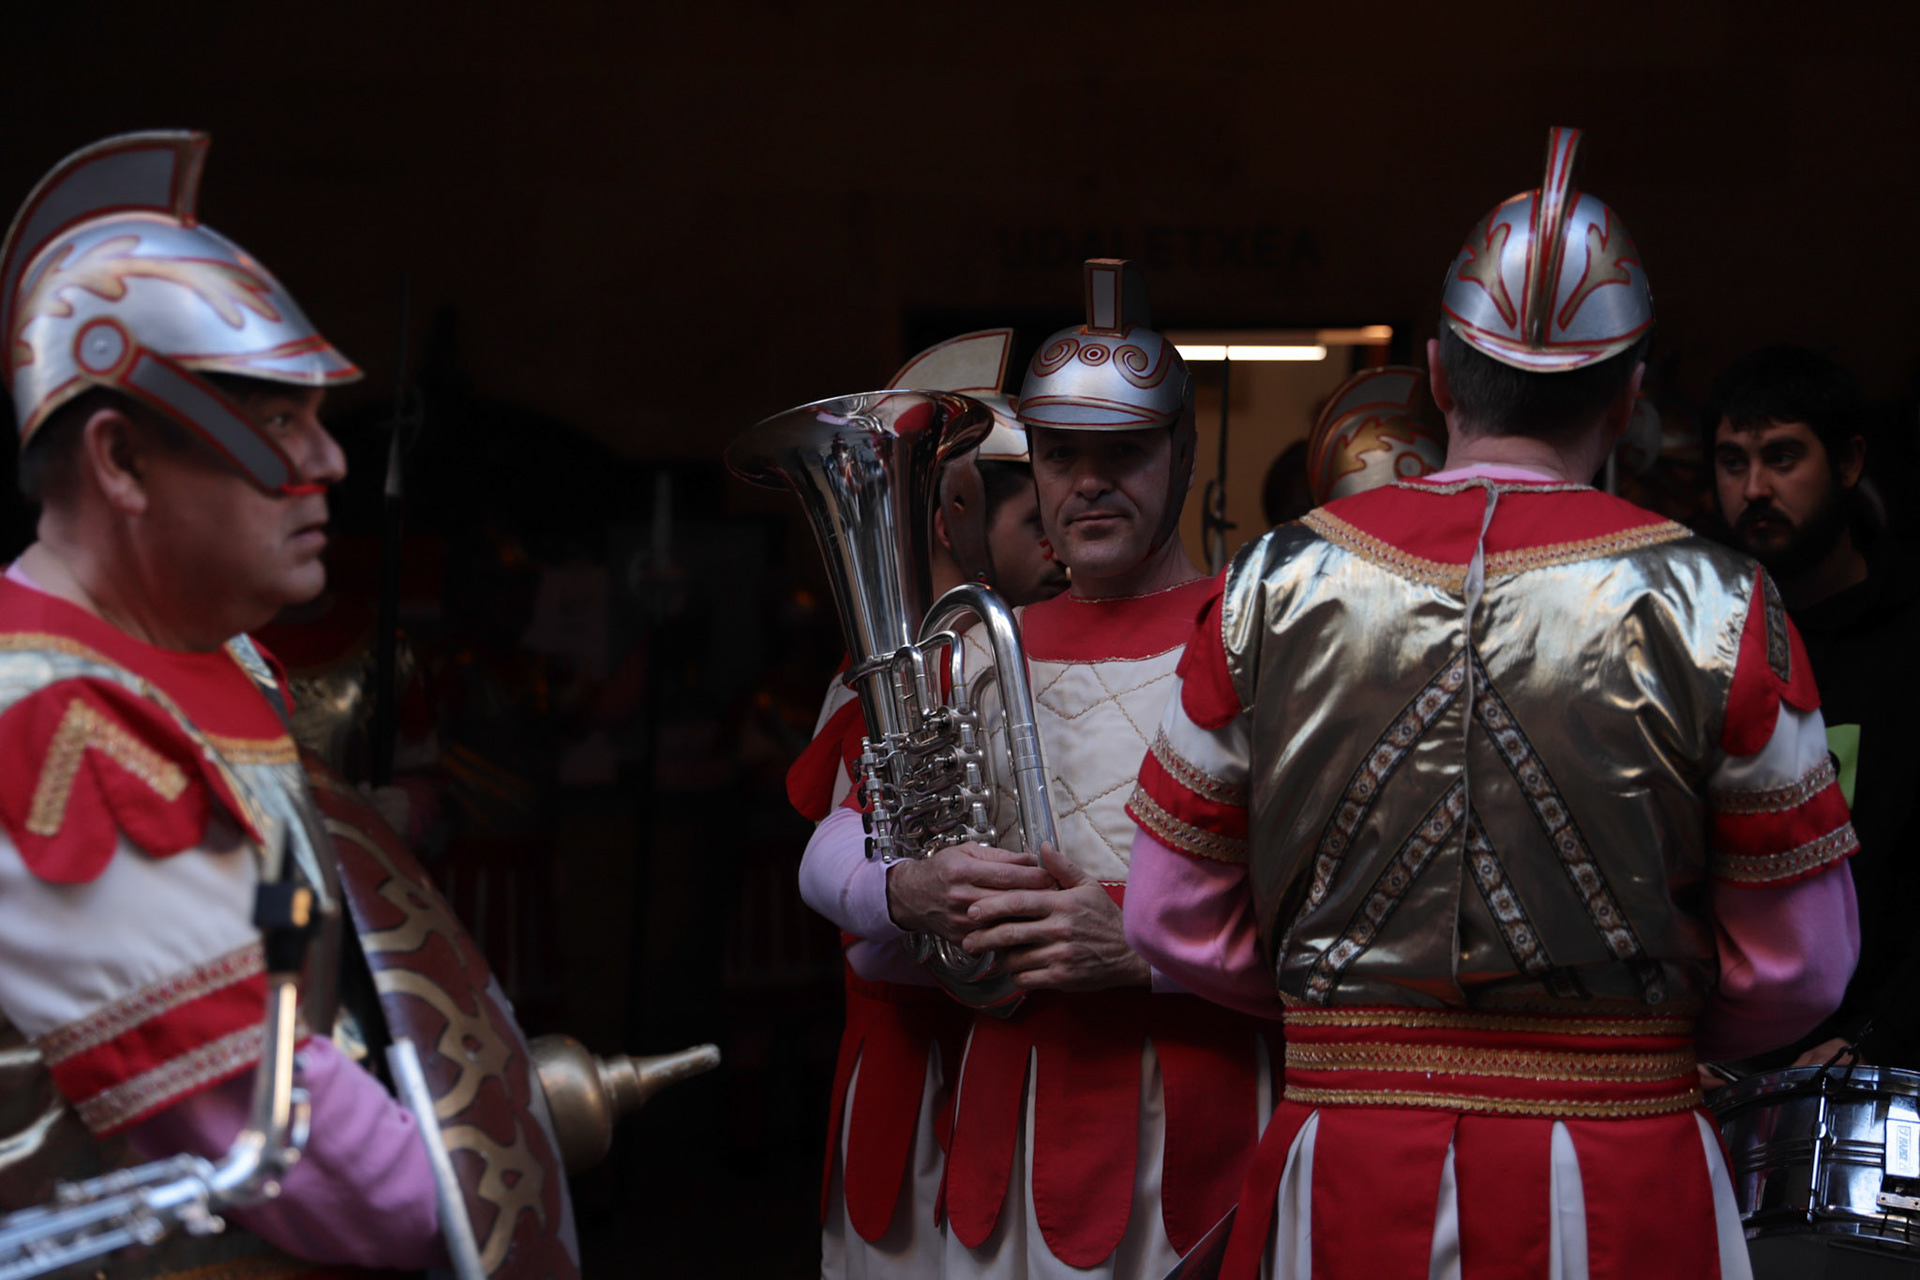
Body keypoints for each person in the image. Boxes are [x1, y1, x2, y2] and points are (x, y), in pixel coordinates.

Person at [1124, 128, 1858, 1279]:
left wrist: (1349, 1011)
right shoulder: (1727, 607)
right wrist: (1639, 1030)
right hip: (1626, 1166)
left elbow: (1168, 909)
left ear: (1431, 370)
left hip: (1343, 1165)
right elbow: (1805, 966)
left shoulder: (1260, 587)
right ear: (1630, 394)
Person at [0, 131, 445, 1274]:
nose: (329, 463)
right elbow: (313, 1160)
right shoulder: (47, 717)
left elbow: (275, 940)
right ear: (121, 462)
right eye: (278, 424)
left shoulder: (231, 659)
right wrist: (467, 1163)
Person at [808, 262, 1274, 1279]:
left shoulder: (1265, 635)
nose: (1088, 482)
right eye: (1062, 456)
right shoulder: (970, 642)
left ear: (1183, 454)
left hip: (1200, 1117)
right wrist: (908, 888)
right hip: (1002, 1113)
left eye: (1125, 451)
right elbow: (839, 853)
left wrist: (1146, 946)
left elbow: (1336, 923)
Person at [790, 328, 1065, 1279]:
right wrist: (906, 892)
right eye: (1032, 515)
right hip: (918, 1065)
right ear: (951, 516)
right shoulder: (893, 679)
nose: (1058, 538)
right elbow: (842, 879)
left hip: (1031, 1073)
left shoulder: (1033, 657)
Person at [1706, 345, 1920, 1068]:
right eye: (1734, 462)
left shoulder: (1905, 643)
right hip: (1709, 1064)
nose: (1755, 488)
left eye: (1783, 457)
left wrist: (1875, 1043)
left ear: (1850, 463)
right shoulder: (1698, 633)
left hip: (1869, 1070)